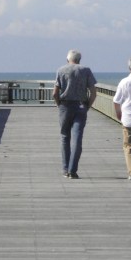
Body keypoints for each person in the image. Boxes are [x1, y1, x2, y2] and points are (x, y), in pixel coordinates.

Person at [52, 49, 97, 179]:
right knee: (77, 139)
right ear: (79, 60)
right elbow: (93, 92)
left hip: (65, 106)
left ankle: (65, 169)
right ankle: (73, 170)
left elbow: (55, 93)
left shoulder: (61, 70)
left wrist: (58, 104)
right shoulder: (86, 70)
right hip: (81, 105)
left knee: (65, 137)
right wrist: (88, 105)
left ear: (68, 59)